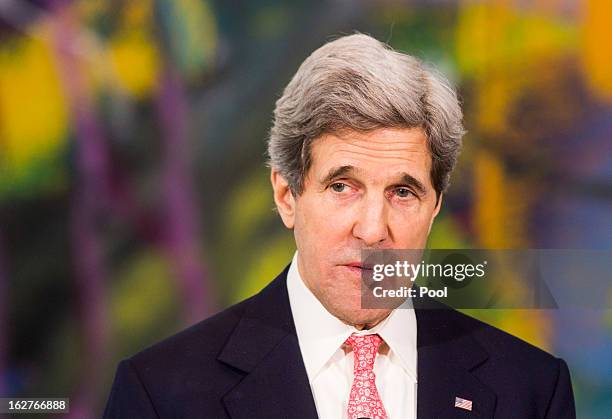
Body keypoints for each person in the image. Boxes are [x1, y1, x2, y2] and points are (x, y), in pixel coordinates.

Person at [104, 34, 576, 419]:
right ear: (287, 195)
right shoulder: (161, 396)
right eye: (342, 186)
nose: (373, 231)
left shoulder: (532, 391)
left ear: (435, 208)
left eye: (403, 192)